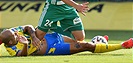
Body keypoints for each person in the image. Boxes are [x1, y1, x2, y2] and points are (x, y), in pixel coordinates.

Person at [0, 25, 133, 56]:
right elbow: (20, 56)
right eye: (15, 37)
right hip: (53, 49)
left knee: (80, 42)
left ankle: (101, 41)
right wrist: (25, 45)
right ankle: (122, 45)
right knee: (85, 46)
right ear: (10, 42)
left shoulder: (13, 33)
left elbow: (28, 27)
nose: (17, 35)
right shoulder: (10, 48)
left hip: (51, 37)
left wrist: (33, 36)